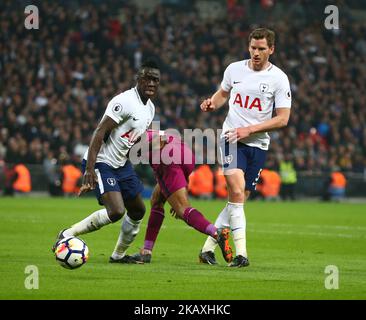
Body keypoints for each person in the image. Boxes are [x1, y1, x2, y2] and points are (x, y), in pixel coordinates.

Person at [199, 28, 292, 267]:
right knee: (237, 192)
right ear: (248, 46)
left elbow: (282, 119)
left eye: (262, 49)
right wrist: (212, 103)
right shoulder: (234, 69)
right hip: (231, 138)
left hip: (258, 145)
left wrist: (250, 130)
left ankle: (207, 249)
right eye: (253, 47)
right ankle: (241, 255)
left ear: (272, 49)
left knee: (238, 200)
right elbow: (222, 94)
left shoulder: (279, 79)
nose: (256, 53)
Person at [52, 60, 161, 264]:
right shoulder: (125, 101)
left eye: (156, 80)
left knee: (138, 210)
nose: (152, 83)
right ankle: (67, 234)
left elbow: (131, 139)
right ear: (138, 79)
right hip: (102, 163)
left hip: (121, 164)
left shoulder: (150, 109)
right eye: (148, 78)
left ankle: (117, 256)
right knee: (117, 211)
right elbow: (100, 131)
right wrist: (90, 169)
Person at [130, 130, 233, 264]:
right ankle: (146, 251)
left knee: (182, 209)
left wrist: (141, 148)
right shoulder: (152, 130)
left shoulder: (135, 137)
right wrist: (177, 192)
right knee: (156, 199)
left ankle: (216, 233)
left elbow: (159, 143)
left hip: (167, 158)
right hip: (186, 153)